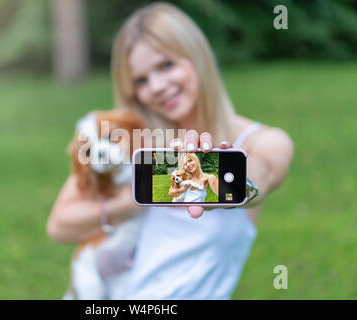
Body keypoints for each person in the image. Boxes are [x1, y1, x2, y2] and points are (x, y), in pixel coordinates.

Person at [47, 2, 293, 299]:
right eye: (141, 80)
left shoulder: (262, 141)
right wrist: (130, 202)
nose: (158, 87)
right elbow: (59, 225)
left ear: (197, 56)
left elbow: (260, 176)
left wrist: (219, 177)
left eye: (166, 66)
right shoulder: (133, 139)